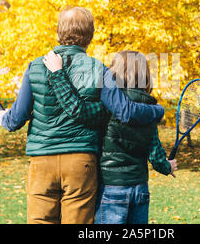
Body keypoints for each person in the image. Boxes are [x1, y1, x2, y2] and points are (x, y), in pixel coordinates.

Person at [0, 7, 164, 224]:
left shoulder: (36, 66)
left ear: (58, 33)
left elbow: (16, 119)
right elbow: (123, 110)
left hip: (42, 161)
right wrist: (156, 111)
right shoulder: (99, 69)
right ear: (90, 36)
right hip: (80, 163)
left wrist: (2, 117)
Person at [43, 50, 178, 224]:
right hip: (140, 188)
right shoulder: (150, 109)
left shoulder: (106, 105)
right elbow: (156, 155)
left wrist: (58, 74)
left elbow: (80, 111)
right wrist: (168, 166)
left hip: (111, 188)